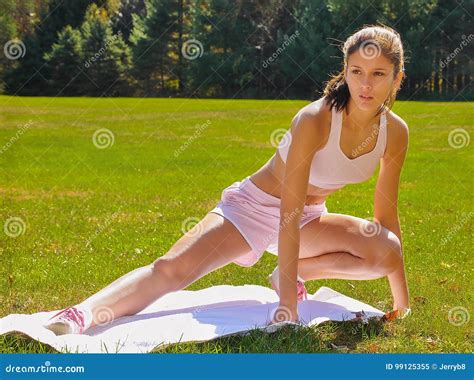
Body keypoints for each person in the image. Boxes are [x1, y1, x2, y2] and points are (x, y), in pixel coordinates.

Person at [44, 24, 411, 335]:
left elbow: (387, 220)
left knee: (385, 250)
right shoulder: (314, 120)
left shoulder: (395, 133)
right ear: (345, 71)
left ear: (397, 77)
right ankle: (83, 313)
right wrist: (287, 310)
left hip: (310, 218)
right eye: (356, 71)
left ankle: (295, 272)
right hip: (254, 209)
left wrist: (401, 306)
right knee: (172, 270)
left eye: (378, 73)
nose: (365, 84)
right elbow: (286, 212)